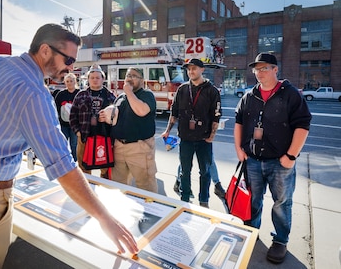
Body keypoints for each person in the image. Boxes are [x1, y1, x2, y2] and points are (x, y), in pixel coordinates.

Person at [0, 24, 138, 269]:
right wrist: (106, 219)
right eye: (69, 59)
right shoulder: (34, 93)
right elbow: (63, 167)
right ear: (44, 51)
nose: (71, 67)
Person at [234, 52, 311, 264]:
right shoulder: (249, 95)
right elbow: (239, 122)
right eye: (256, 69)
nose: (259, 73)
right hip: (252, 160)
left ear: (275, 69)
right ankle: (251, 230)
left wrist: (291, 156)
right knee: (253, 200)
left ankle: (280, 241)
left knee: (282, 203)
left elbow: (303, 125)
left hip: (280, 162)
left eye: (264, 68)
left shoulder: (290, 94)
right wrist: (239, 149)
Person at [162, 59, 221, 208]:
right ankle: (185, 198)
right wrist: (168, 131)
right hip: (185, 138)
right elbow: (174, 112)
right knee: (185, 171)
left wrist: (211, 138)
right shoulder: (182, 89)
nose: (191, 72)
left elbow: (216, 116)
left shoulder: (211, 91)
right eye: (189, 69)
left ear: (202, 70)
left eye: (194, 68)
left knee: (205, 172)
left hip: (203, 139)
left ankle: (204, 200)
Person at [110, 67, 158, 193]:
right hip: (119, 147)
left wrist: (129, 92)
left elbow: (141, 111)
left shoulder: (147, 95)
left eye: (134, 76)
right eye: (127, 75)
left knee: (146, 185)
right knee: (118, 185)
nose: (129, 78)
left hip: (139, 148)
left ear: (142, 81)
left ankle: (151, 210)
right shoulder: (121, 97)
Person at [69, 64, 115, 179]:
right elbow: (72, 116)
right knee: (84, 170)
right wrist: (78, 132)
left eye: (97, 77)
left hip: (104, 138)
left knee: (105, 169)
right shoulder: (81, 95)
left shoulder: (110, 96)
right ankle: (87, 193)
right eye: (92, 78)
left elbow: (117, 118)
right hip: (84, 137)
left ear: (103, 79)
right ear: (88, 79)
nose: (95, 80)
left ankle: (103, 192)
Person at [54, 72, 79, 162]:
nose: (69, 83)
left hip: (75, 125)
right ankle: (64, 161)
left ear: (75, 81)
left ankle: (75, 162)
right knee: (63, 143)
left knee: (74, 144)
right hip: (63, 124)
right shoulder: (61, 94)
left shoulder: (79, 93)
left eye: (71, 81)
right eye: (67, 81)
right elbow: (55, 107)